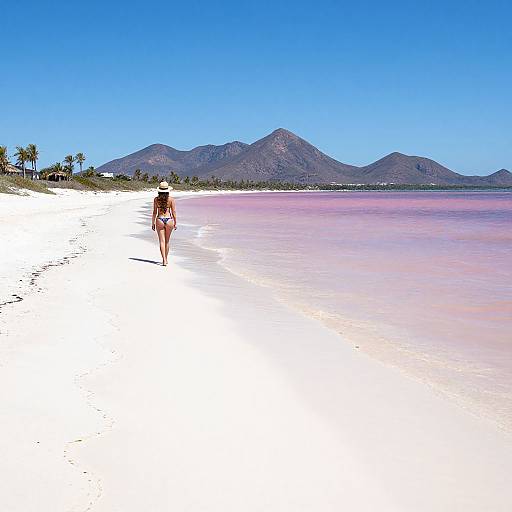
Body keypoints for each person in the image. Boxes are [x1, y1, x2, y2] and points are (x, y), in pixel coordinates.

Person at [152, 181, 177, 266]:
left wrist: (153, 223)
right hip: (169, 220)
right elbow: (173, 212)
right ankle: (166, 258)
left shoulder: (156, 199)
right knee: (167, 242)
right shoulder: (171, 199)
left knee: (162, 241)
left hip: (160, 219)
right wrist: (175, 223)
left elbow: (154, 212)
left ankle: (164, 260)